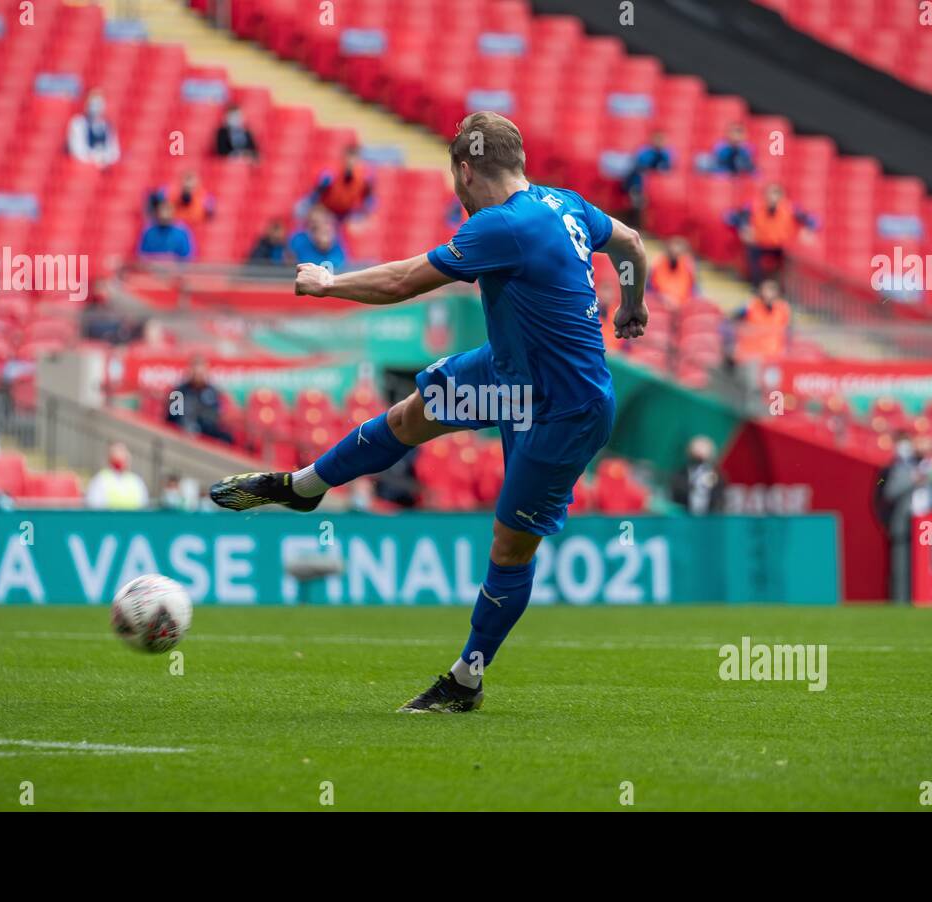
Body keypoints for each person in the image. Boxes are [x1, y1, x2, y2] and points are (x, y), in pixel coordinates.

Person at [209, 111, 649, 713]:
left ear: (464, 171)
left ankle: (466, 679)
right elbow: (630, 243)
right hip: (510, 375)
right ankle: (306, 486)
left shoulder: (503, 226)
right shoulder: (563, 204)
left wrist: (328, 282)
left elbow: (401, 283)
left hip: (561, 410)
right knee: (409, 417)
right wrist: (632, 303)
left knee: (509, 546)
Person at [875, 432, 932, 602]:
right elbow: (881, 487)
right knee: (900, 566)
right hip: (898, 519)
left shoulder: (925, 466)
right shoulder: (888, 469)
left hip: (924, 523)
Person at [726, 182, 816, 285]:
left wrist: (809, 229)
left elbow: (813, 220)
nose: (773, 198)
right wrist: (743, 227)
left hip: (781, 246)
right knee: (751, 255)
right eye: (770, 194)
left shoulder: (792, 208)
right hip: (759, 243)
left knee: (791, 259)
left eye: (777, 194)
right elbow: (729, 217)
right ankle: (756, 285)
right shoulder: (753, 206)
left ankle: (781, 287)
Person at [166, 356, 233, 444]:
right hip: (183, 436)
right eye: (196, 373)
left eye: (201, 373)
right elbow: (173, 418)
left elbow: (216, 416)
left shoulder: (213, 392)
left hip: (207, 434)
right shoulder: (178, 392)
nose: (199, 376)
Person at [731, 278, 790, 362]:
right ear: (760, 291)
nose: (769, 294)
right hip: (751, 353)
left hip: (773, 354)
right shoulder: (750, 305)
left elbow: (786, 330)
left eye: (772, 290)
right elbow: (732, 319)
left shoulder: (783, 308)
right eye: (766, 290)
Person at [308, 145, 372, 221]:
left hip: (347, 213)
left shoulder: (364, 178)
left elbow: (369, 199)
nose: (351, 163)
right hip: (328, 211)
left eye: (355, 159)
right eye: (349, 158)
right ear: (343, 159)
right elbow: (316, 194)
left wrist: (365, 212)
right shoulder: (331, 174)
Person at [621, 131, 671, 225]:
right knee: (637, 203)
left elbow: (667, 169)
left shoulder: (665, 154)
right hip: (637, 184)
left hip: (655, 187)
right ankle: (634, 224)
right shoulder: (644, 153)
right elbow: (639, 169)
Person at [669, 436, 724, 514]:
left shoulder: (716, 475)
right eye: (697, 449)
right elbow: (676, 497)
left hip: (710, 519)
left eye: (703, 449)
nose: (699, 453)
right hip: (685, 518)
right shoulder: (680, 475)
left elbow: (719, 497)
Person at [85, 442, 149, 510]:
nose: (121, 459)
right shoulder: (101, 480)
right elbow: (94, 506)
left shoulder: (136, 481)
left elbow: (143, 505)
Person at [67, 90, 120, 168]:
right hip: (84, 168)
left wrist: (104, 159)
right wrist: (94, 158)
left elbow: (114, 152)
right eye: (93, 104)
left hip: (104, 167)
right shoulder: (78, 123)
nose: (96, 108)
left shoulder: (107, 125)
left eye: (99, 104)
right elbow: (77, 150)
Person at [288, 206, 346, 271]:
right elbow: (290, 263)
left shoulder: (337, 240)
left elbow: (341, 264)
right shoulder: (298, 239)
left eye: (321, 221)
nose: (316, 225)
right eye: (313, 221)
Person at [648, 237, 697, 309]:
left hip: (682, 306)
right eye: (672, 253)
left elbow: (692, 294)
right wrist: (664, 298)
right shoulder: (658, 265)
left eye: (679, 254)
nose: (675, 256)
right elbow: (652, 290)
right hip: (660, 305)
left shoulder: (688, 268)